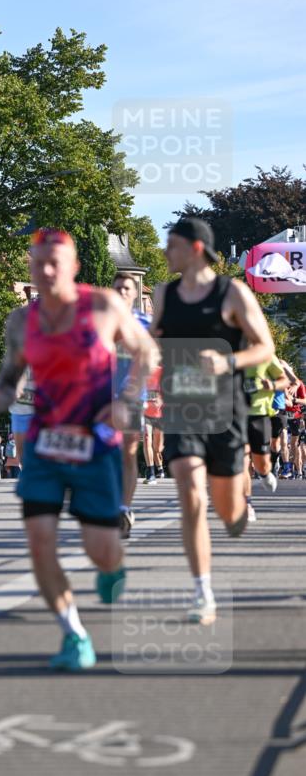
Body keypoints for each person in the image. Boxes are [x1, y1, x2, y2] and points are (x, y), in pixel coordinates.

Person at [0, 228, 157, 672]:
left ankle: (112, 568)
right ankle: (74, 634)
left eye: (56, 262)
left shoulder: (102, 305)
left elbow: (146, 352)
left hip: (95, 445)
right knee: (40, 543)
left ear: (74, 267)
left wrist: (126, 399)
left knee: (103, 550)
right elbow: (10, 380)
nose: (48, 270)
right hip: (44, 445)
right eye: (39, 263)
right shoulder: (21, 321)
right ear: (31, 270)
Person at [151, 217, 275, 625]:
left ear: (196, 248)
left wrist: (228, 360)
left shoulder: (232, 292)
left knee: (227, 513)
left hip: (226, 409)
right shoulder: (164, 294)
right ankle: (202, 590)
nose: (166, 252)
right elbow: (151, 342)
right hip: (183, 407)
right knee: (190, 493)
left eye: (172, 245)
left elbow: (264, 348)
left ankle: (238, 509)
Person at [111, 273, 152, 537]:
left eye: (127, 288)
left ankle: (124, 507)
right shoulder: (100, 321)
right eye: (118, 288)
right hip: (102, 396)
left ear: (135, 293)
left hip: (133, 396)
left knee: (127, 453)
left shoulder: (145, 323)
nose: (122, 292)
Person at [243, 355, 288, 518]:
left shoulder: (265, 353)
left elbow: (285, 380)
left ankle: (264, 473)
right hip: (233, 415)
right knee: (242, 459)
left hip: (259, 414)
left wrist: (273, 384)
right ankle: (246, 504)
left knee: (261, 463)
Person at [143, 363, 164, 483]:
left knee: (158, 448)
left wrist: (161, 399)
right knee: (146, 439)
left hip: (160, 415)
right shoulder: (139, 371)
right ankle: (150, 473)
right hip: (145, 413)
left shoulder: (162, 371)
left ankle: (160, 467)